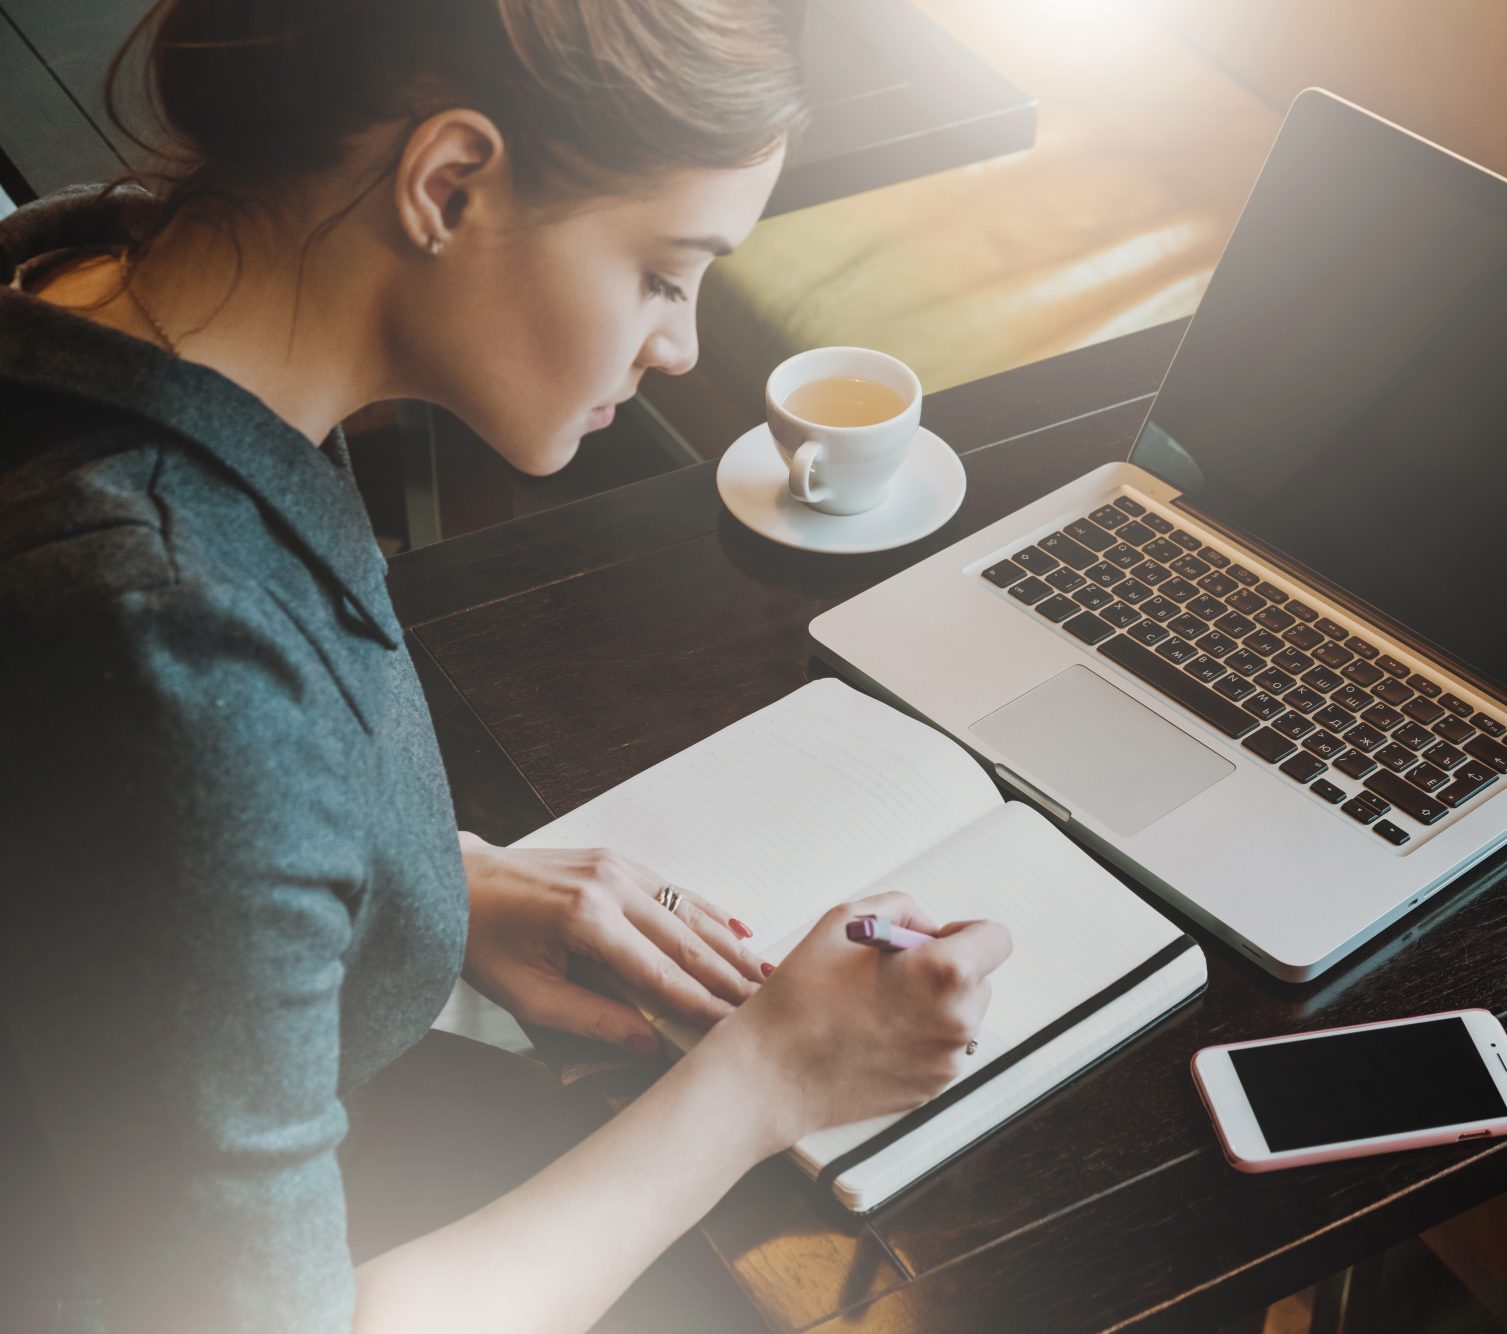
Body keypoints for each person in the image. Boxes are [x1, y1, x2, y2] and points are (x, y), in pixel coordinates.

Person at [0, 3, 1011, 1332]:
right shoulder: (174, 642)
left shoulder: (83, 272)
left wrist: (431, 878)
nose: (683, 345)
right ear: (451, 182)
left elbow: (84, 839)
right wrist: (770, 1078)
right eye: (663, 270)